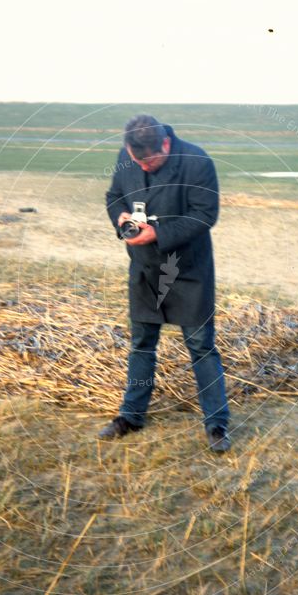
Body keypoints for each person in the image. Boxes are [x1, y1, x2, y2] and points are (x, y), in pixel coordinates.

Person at [99, 114, 232, 453]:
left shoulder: (198, 162)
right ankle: (131, 416)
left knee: (202, 346)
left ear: (166, 144)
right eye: (136, 159)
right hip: (145, 268)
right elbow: (114, 195)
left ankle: (217, 424)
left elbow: (205, 214)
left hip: (187, 269)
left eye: (149, 160)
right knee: (142, 343)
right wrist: (121, 218)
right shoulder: (127, 156)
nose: (142, 167)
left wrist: (158, 233)